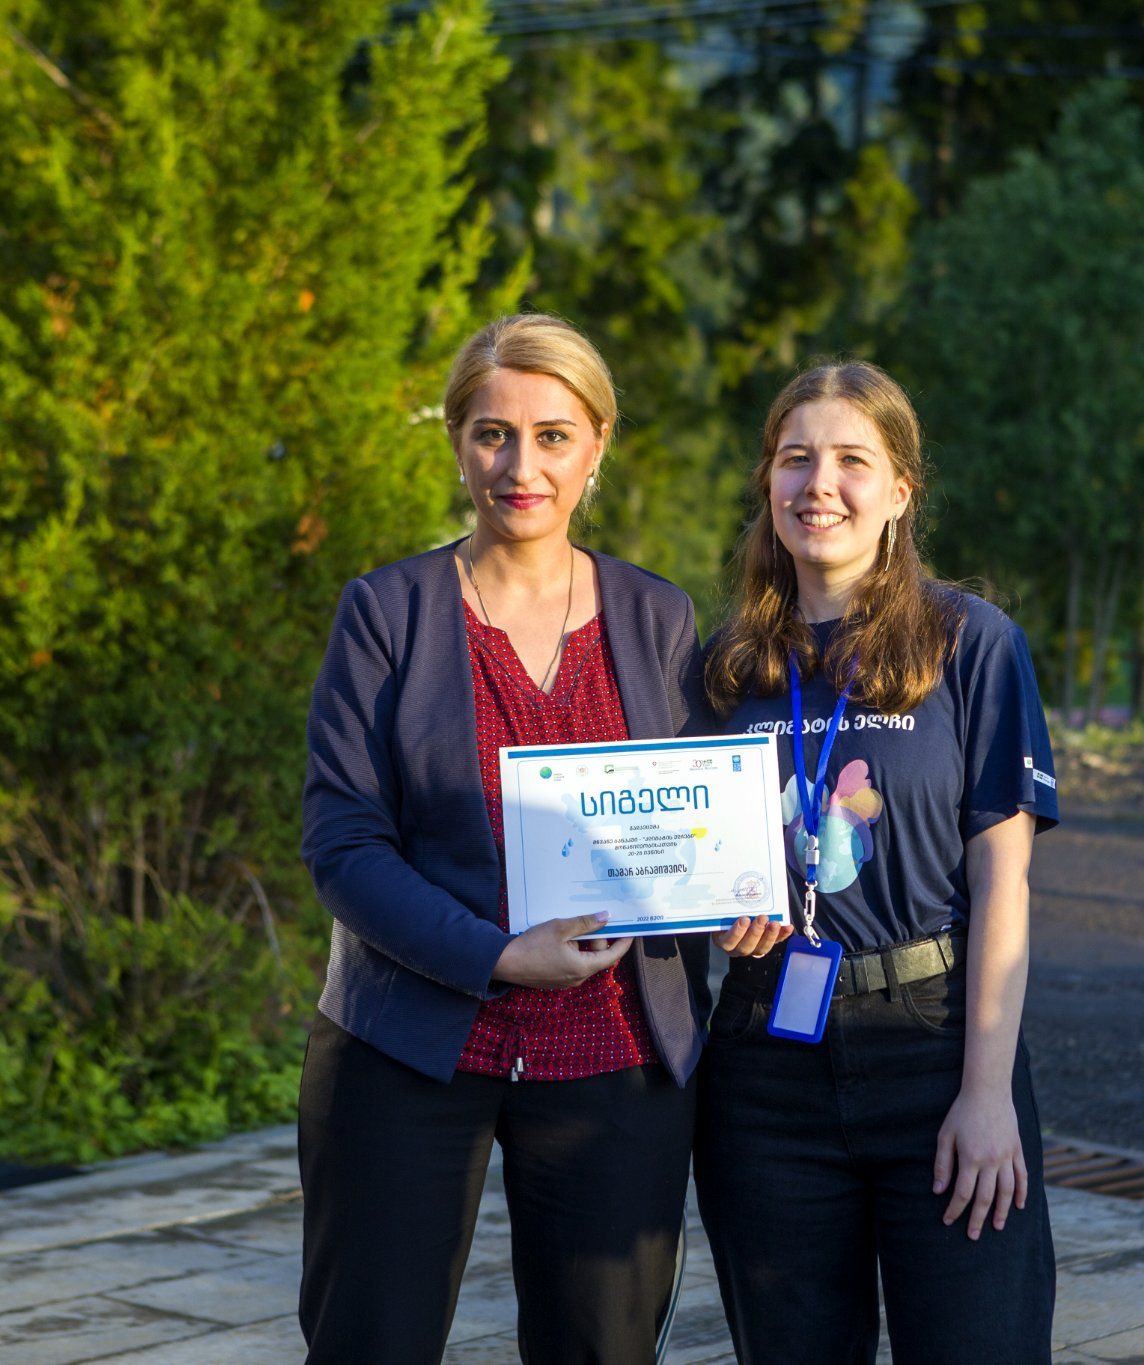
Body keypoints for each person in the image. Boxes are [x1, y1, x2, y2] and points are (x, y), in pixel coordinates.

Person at [297, 313, 710, 1365]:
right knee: (370, 1344)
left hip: (612, 1049)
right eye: (492, 434)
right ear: (457, 442)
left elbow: (691, 826)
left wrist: (737, 889)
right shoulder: (385, 611)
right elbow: (343, 844)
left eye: (552, 436)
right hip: (411, 1042)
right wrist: (496, 955)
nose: (521, 467)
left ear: (597, 445)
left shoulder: (658, 617)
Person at [698, 361, 1059, 1364]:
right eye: (795, 458)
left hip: (934, 1052)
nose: (819, 484)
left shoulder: (972, 644)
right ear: (767, 482)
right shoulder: (724, 665)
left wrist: (985, 1094)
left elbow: (1003, 884)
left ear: (900, 490)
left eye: (851, 460)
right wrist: (710, 910)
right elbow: (687, 859)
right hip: (765, 1067)